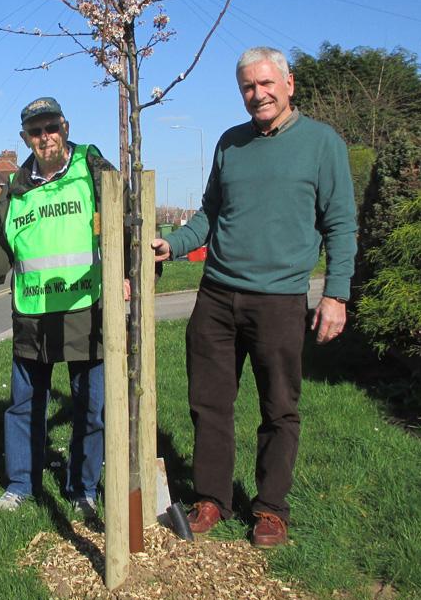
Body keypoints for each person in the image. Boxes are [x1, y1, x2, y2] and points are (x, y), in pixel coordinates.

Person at [151, 46, 357, 547]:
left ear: (289, 83)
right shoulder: (230, 143)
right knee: (208, 403)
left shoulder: (321, 144)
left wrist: (336, 295)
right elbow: (209, 214)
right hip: (217, 296)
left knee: (279, 408)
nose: (257, 94)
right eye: (248, 86)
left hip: (280, 300)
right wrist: (172, 244)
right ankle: (212, 498)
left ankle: (270, 509)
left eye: (266, 84)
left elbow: (341, 224)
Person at [0, 97, 123, 516]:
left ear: (65, 126)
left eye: (51, 127)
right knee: (23, 405)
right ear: (25, 137)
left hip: (85, 309)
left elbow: (124, 216)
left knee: (90, 408)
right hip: (32, 313)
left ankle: (83, 489)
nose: (45, 137)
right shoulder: (16, 185)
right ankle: (21, 484)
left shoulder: (92, 169)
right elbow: (1, 240)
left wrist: (128, 273)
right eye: (36, 132)